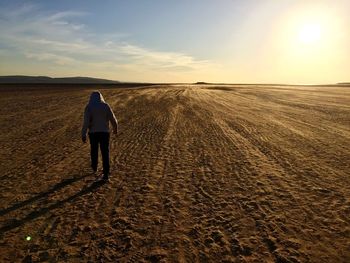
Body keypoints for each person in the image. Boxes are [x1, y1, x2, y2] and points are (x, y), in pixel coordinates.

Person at [81, 91, 118, 181]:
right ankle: (106, 172)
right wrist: (115, 128)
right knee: (105, 152)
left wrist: (83, 134)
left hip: (93, 133)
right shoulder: (105, 106)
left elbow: (86, 122)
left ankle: (94, 166)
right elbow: (113, 119)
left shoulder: (89, 107)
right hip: (104, 133)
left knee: (94, 150)